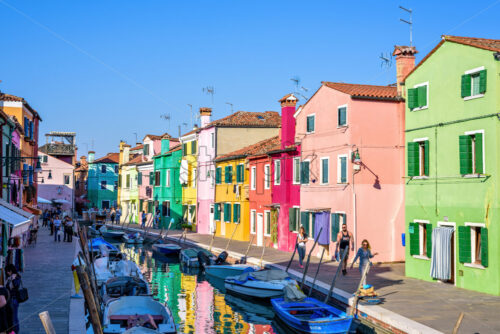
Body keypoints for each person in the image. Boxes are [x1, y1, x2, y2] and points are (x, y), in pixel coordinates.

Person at [5, 264, 21, 334]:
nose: (7, 273)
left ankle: (15, 331)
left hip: (14, 300)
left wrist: (13, 279)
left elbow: (16, 286)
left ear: (10, 271)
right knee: (11, 316)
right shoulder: (9, 278)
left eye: (7, 272)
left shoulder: (16, 277)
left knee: (14, 317)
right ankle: (12, 330)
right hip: (9, 299)